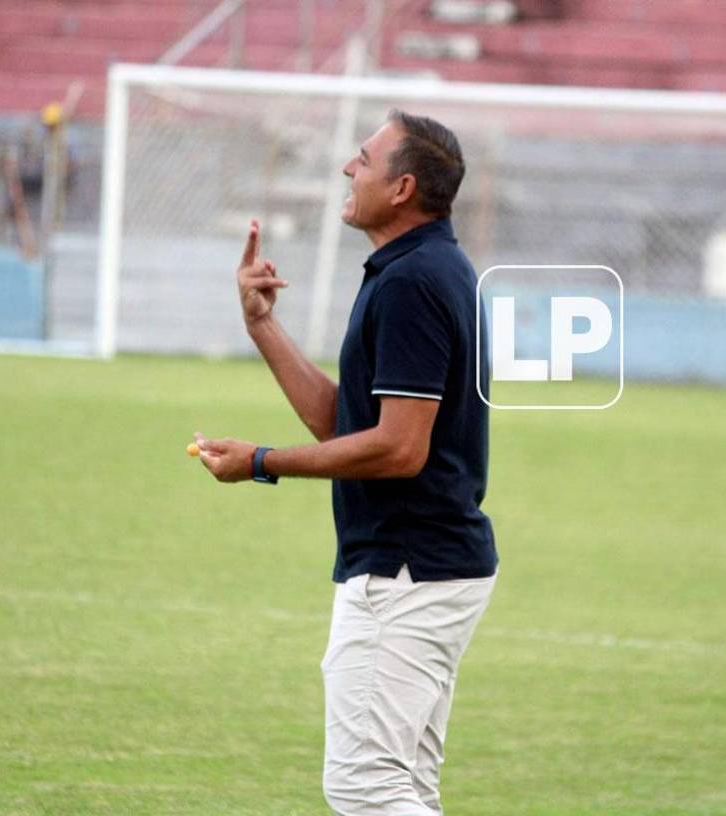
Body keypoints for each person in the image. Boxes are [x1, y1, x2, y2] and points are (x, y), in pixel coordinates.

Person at [193, 108, 498, 816]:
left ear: (402, 188)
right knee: (404, 789)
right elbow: (349, 424)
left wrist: (262, 461)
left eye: (363, 158)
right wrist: (263, 326)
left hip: (406, 571)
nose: (346, 168)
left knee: (367, 788)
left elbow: (398, 448)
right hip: (430, 566)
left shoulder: (413, 281)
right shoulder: (423, 269)